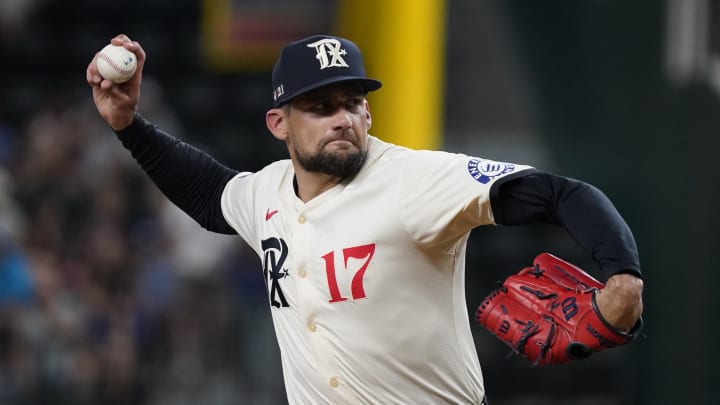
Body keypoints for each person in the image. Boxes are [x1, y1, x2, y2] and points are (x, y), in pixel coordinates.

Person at [86, 34, 643, 404]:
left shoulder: (413, 181)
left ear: (369, 111)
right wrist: (129, 125)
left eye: (352, 102)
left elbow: (561, 193)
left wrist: (622, 276)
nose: (342, 119)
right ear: (279, 123)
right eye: (321, 107)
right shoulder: (268, 194)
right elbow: (209, 192)